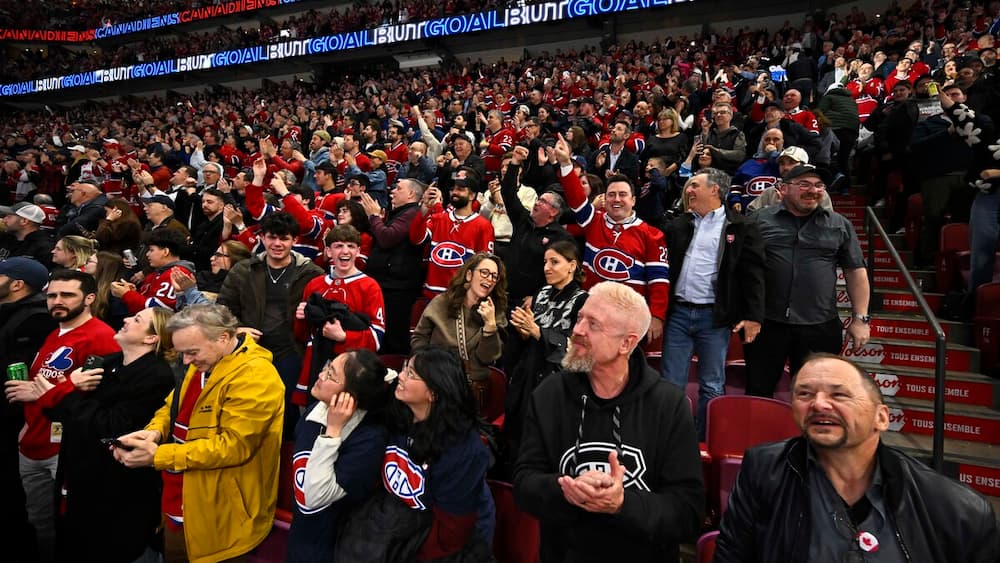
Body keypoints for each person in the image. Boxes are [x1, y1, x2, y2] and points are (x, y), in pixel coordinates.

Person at [715, 353, 1000, 562]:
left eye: (839, 395)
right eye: (804, 393)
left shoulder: (958, 511)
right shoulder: (763, 472)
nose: (819, 404)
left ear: (882, 417)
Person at [513, 281, 704, 563]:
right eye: (579, 318)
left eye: (593, 324)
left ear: (627, 342)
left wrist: (623, 504)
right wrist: (566, 490)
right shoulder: (549, 395)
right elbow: (523, 485)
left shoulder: (669, 406)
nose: (577, 330)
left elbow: (688, 512)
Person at [113, 303, 285, 563]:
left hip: (222, 517)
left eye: (191, 352)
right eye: (182, 353)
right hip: (180, 504)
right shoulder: (205, 360)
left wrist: (158, 456)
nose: (186, 361)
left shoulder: (256, 376)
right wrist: (153, 433)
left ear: (224, 337)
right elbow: (173, 405)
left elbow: (233, 447)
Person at [31, 308, 176, 563]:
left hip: (115, 492)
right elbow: (55, 410)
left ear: (151, 338)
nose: (126, 319)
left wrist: (64, 394)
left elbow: (113, 427)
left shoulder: (157, 375)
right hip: (78, 476)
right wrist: (67, 390)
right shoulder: (105, 362)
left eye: (137, 319)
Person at [335, 346, 495, 562]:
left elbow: (450, 536)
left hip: (437, 543)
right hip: (395, 523)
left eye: (410, 374)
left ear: (433, 393)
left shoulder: (464, 450)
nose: (400, 375)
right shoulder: (398, 412)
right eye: (404, 368)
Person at [4, 269, 120, 563]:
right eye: (52, 295)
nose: (57, 301)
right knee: (38, 521)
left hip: (67, 447)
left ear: (89, 298)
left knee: (71, 523)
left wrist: (44, 394)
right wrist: (28, 424)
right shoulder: (55, 332)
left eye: (67, 295)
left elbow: (101, 399)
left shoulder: (101, 337)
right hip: (34, 441)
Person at [745, 164, 870, 397]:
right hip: (767, 324)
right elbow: (743, 268)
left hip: (820, 325)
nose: (813, 190)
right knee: (758, 391)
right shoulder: (758, 220)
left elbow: (856, 272)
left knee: (819, 395)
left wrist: (860, 319)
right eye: (804, 184)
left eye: (819, 185)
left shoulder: (840, 225)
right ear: (784, 189)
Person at [662, 169, 766, 438]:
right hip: (678, 314)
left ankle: (703, 440)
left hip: (715, 318)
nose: (688, 190)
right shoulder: (678, 225)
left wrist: (754, 315)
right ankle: (670, 438)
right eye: (688, 186)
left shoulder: (741, 226)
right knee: (670, 385)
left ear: (715, 191)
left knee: (712, 384)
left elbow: (754, 274)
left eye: (695, 185)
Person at [553, 134, 668, 345]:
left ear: (633, 200)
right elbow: (577, 199)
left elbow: (659, 280)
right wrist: (566, 163)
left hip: (628, 319)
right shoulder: (593, 221)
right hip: (591, 312)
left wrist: (657, 316)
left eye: (623, 195)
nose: (616, 199)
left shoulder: (651, 234)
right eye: (611, 194)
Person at [216, 212, 323, 436]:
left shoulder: (312, 274)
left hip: (291, 351)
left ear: (294, 241)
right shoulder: (243, 270)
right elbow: (222, 310)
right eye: (271, 237)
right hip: (248, 351)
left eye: (284, 238)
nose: (277, 244)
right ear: (262, 238)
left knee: (287, 415)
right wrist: (236, 330)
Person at [287, 350, 393, 563]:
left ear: (350, 397)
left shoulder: (369, 439)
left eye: (330, 375)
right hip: (300, 541)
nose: (320, 375)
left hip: (335, 550)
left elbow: (315, 496)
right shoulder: (315, 411)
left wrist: (333, 432)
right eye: (327, 366)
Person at [505, 241, 588, 453]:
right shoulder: (541, 293)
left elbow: (573, 345)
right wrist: (523, 332)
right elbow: (529, 335)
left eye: (554, 262)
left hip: (557, 379)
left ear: (572, 266)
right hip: (527, 372)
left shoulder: (583, 300)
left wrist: (536, 331)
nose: (546, 268)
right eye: (545, 262)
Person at [0, 257, 55, 563]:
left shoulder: (33, 319)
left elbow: (14, 373)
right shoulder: (11, 312)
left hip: (15, 419)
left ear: (17, 284)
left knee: (14, 496)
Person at [293, 225, 386, 406]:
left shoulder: (369, 286)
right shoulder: (315, 284)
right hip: (314, 366)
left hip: (349, 373)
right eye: (338, 246)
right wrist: (300, 318)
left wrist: (344, 337)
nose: (345, 251)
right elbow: (302, 336)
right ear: (328, 250)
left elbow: (377, 337)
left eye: (351, 246)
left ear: (358, 251)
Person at [411, 253, 507, 405]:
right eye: (484, 272)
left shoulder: (496, 313)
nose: (489, 279)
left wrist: (490, 326)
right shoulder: (442, 302)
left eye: (494, 276)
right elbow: (419, 338)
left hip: (469, 388)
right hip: (436, 378)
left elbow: (486, 358)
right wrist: (428, 365)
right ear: (469, 275)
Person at [409, 167, 495, 298]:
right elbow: (416, 239)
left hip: (459, 297)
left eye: (460, 189)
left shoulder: (483, 226)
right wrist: (424, 209)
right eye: (453, 189)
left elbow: (485, 266)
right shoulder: (439, 218)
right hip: (430, 293)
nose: (454, 192)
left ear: (472, 195)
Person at [111, 228, 195, 313]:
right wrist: (133, 292)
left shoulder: (177, 274)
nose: (147, 254)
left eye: (151, 250)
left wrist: (127, 294)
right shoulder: (159, 272)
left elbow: (161, 312)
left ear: (165, 252)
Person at [172, 240, 252, 306]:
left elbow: (211, 316)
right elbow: (183, 311)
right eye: (214, 255)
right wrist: (181, 293)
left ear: (235, 259)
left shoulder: (240, 286)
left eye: (218, 255)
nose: (212, 258)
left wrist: (190, 290)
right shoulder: (202, 277)